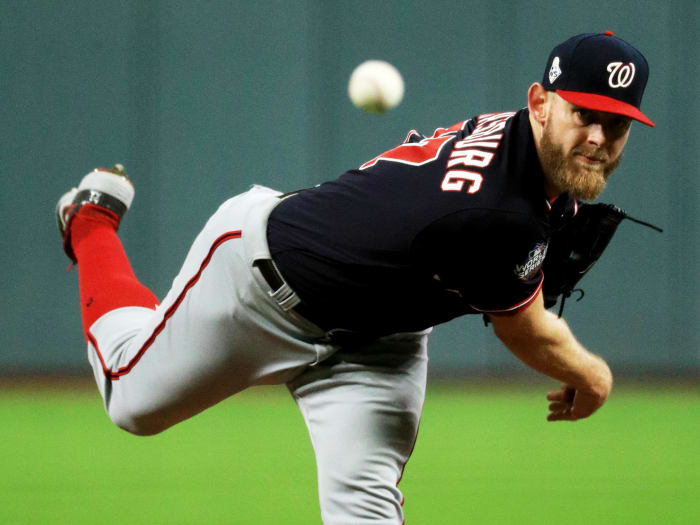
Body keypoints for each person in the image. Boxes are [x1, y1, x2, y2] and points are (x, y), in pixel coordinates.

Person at [56, 31, 653, 524]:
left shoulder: (528, 159)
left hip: (379, 337)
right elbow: (525, 332)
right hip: (260, 286)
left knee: (364, 513)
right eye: (584, 115)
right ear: (540, 102)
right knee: (131, 402)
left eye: (616, 125)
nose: (598, 138)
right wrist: (592, 375)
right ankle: (90, 221)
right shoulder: (494, 216)